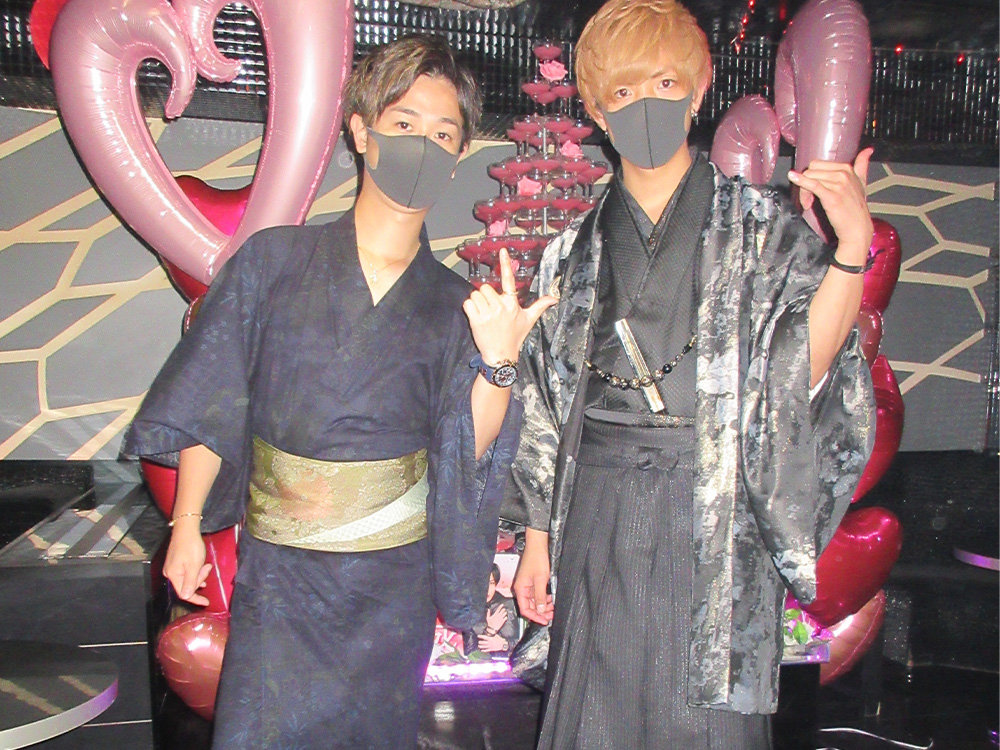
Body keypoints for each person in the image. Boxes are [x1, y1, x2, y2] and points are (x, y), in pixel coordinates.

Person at [124, 35, 553, 750]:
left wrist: (499, 362)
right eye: (404, 123)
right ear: (361, 130)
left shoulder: (458, 304)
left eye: (443, 134)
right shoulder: (271, 262)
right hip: (281, 578)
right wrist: (189, 523)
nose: (422, 146)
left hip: (392, 587)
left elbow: (466, 449)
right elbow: (214, 397)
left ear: (457, 156)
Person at [508, 1, 876, 748]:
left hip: (713, 504)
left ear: (700, 88)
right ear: (597, 112)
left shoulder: (764, 228)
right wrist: (536, 540)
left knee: (707, 721)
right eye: (621, 92)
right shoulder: (569, 252)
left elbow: (801, 366)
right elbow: (542, 405)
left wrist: (850, 250)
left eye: (665, 83)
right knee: (594, 715)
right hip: (597, 503)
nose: (644, 105)